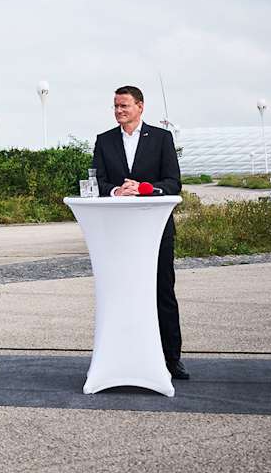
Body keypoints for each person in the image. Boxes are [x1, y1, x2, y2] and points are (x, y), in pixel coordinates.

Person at [92, 85, 187, 380]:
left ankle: (172, 358)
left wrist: (144, 189)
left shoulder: (161, 139)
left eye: (124, 106)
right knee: (122, 292)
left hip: (156, 230)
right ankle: (124, 353)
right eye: (116, 106)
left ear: (140, 107)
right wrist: (116, 190)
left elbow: (173, 182)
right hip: (118, 233)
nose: (119, 111)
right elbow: (98, 181)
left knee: (162, 291)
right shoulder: (104, 141)